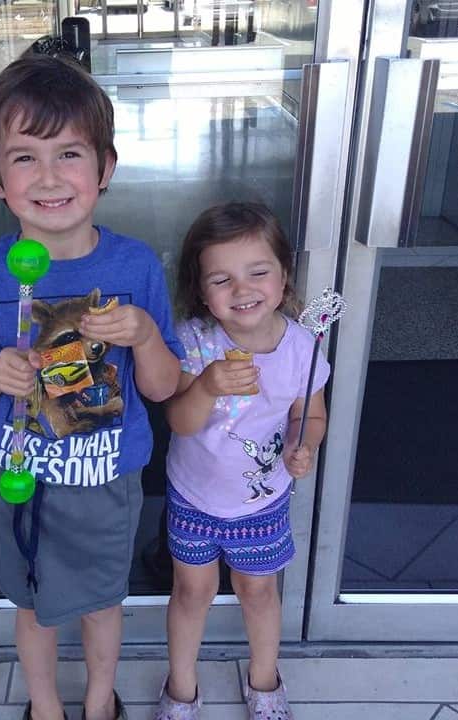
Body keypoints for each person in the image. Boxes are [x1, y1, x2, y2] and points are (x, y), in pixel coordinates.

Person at [0, 53, 183, 720]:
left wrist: (145, 336)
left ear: (105, 168)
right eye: (24, 157)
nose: (48, 177)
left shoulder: (134, 265)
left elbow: (163, 389)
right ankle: (45, 708)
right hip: (19, 477)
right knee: (32, 604)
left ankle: (101, 703)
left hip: (105, 480)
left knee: (105, 602)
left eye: (69, 153)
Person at [154, 203, 330, 720]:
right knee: (191, 592)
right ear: (201, 290)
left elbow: (312, 416)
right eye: (222, 279)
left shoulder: (303, 348)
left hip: (262, 503)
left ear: (283, 277)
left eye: (258, 272)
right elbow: (180, 422)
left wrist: (305, 445)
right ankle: (182, 687)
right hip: (194, 497)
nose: (243, 289)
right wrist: (207, 384)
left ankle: (264, 680)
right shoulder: (193, 342)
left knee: (258, 592)